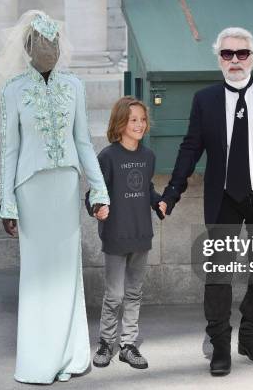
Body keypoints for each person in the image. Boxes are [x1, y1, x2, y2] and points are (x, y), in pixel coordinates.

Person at [159, 27, 253, 376]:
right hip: (224, 198)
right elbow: (190, 148)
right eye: (227, 54)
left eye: (241, 53)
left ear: (252, 57)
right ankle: (220, 343)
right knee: (219, 274)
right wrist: (171, 192)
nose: (235, 60)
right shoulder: (205, 99)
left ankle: (251, 336)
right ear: (218, 58)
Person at [0, 11, 110, 384]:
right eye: (42, 45)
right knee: (37, 275)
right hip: (30, 190)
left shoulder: (74, 85)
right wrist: (6, 202)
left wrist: (99, 189)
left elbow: (83, 142)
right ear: (28, 49)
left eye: (54, 43)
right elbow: (9, 149)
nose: (50, 51)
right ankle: (39, 358)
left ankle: (70, 355)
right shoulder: (12, 89)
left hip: (64, 189)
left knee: (66, 272)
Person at [84, 96, 166, 370]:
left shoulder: (148, 156)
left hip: (141, 234)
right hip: (116, 236)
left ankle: (128, 345)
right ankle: (107, 342)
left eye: (143, 120)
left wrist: (158, 202)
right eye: (133, 120)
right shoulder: (107, 157)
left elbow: (147, 189)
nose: (140, 124)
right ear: (120, 123)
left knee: (134, 293)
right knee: (115, 294)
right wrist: (97, 208)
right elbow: (93, 193)